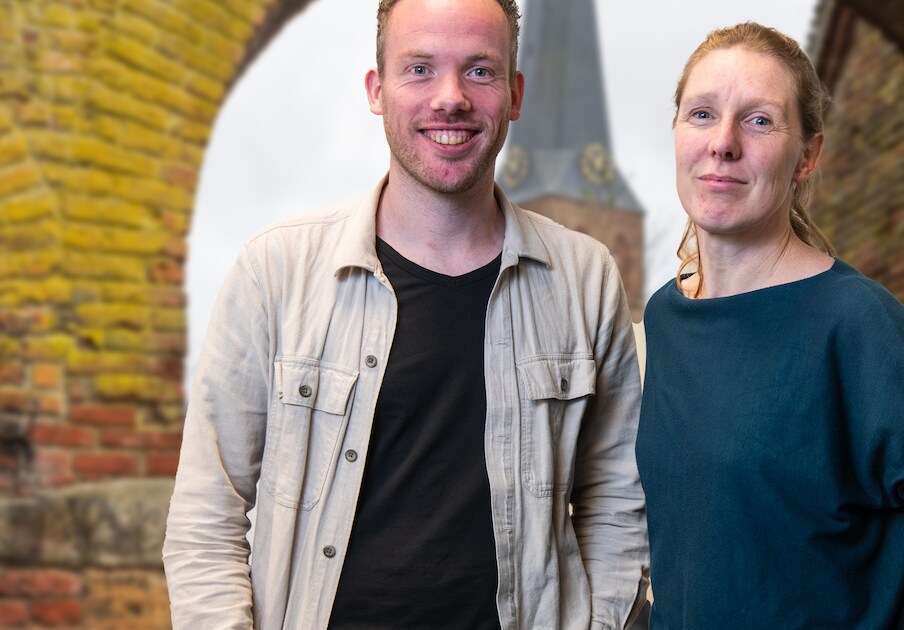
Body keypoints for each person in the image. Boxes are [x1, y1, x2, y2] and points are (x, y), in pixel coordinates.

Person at [162, 0, 649, 627]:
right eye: (419, 68)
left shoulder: (586, 279)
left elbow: (614, 502)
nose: (450, 98)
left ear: (514, 93)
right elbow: (208, 513)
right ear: (377, 89)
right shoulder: (276, 272)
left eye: (479, 71)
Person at [635, 22, 904, 629]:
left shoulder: (856, 327)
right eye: (702, 114)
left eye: (758, 121)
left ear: (807, 155)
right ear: (677, 132)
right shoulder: (665, 318)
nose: (723, 142)